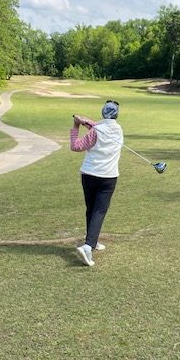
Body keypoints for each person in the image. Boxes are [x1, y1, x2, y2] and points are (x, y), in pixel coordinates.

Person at [70, 100, 123, 266]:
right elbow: (98, 127)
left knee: (92, 210)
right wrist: (84, 120)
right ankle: (88, 246)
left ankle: (91, 241)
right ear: (116, 115)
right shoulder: (119, 130)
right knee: (99, 211)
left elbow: (76, 146)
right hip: (108, 177)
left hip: (89, 175)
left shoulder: (96, 131)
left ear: (102, 113)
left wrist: (76, 126)